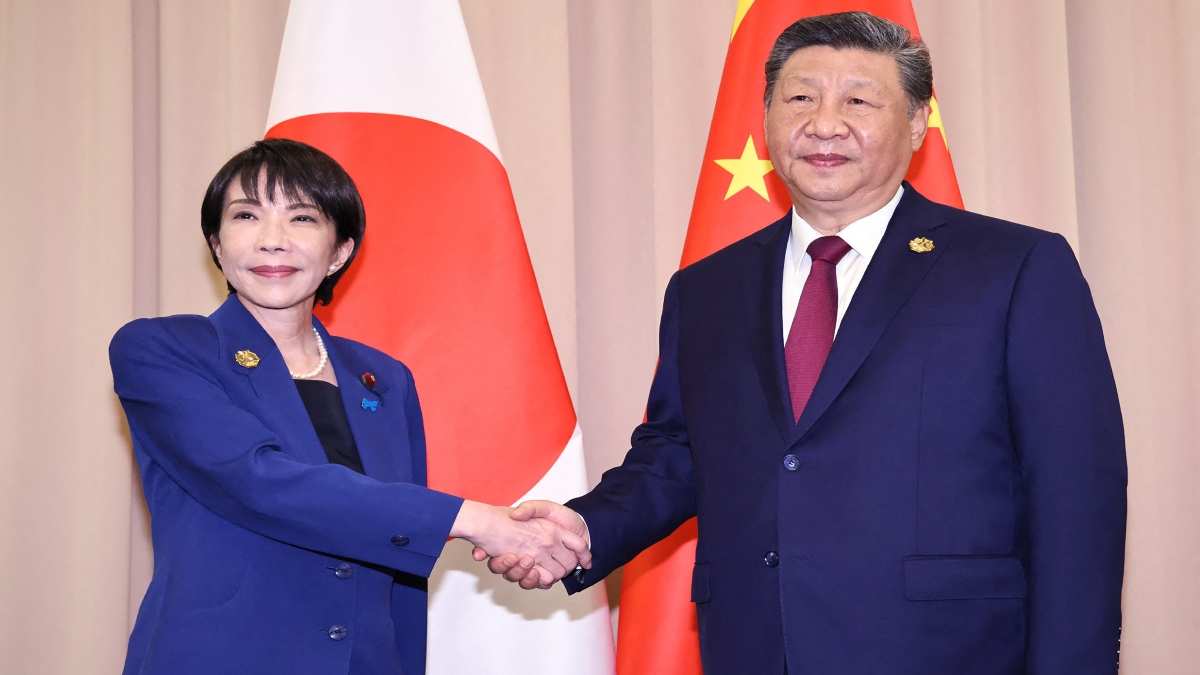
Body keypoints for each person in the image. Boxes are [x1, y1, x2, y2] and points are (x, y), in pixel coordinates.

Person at [483, 11, 1127, 675]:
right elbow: (678, 452)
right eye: (799, 97)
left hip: (947, 650)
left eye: (857, 99)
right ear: (765, 121)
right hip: (756, 645)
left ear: (915, 124)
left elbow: (1076, 492)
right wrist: (587, 528)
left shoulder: (1015, 267)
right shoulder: (706, 288)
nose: (824, 122)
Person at [109, 138, 588, 675]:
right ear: (217, 243)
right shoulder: (163, 350)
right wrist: (472, 519)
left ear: (339, 251)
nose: (273, 241)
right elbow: (257, 480)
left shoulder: (384, 378)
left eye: (302, 218)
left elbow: (397, 568)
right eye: (247, 215)